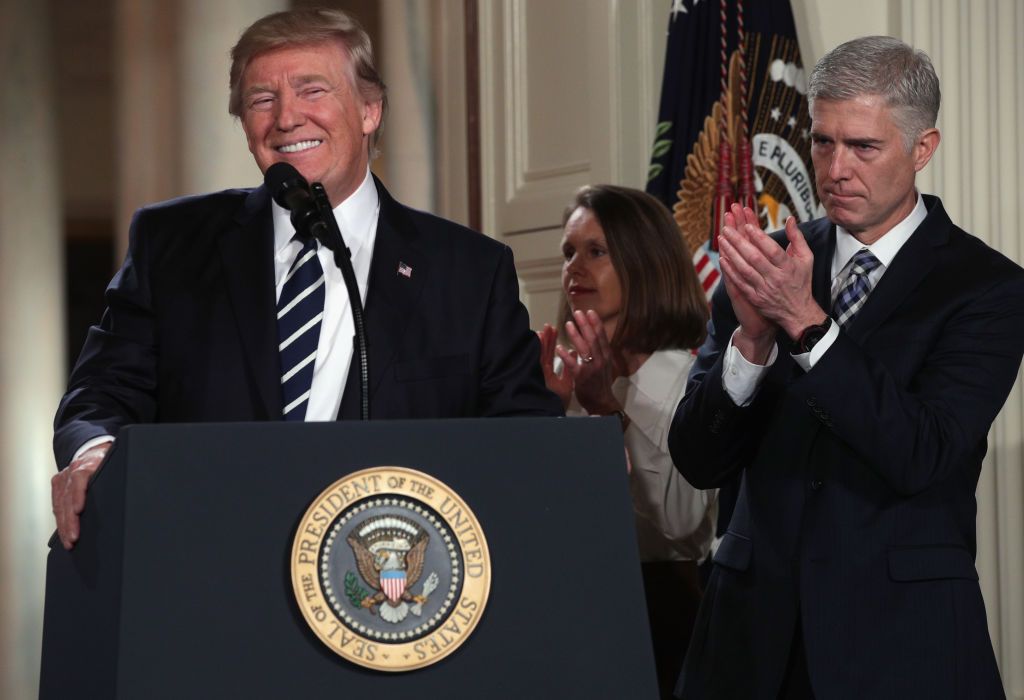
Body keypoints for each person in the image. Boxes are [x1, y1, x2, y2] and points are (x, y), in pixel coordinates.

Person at [51, 7, 562, 551]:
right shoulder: (171, 244)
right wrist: (94, 451)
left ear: (369, 110)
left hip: (392, 589)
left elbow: (519, 435)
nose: (287, 118)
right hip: (209, 567)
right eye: (261, 99)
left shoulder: (468, 271)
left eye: (311, 90)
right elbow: (99, 394)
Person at [669, 36, 1024, 699]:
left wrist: (804, 323)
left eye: (863, 147)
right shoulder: (765, 265)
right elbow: (697, 460)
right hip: (748, 646)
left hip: (902, 647)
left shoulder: (986, 288)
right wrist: (750, 342)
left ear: (923, 149)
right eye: (824, 143)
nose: (835, 169)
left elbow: (921, 450)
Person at [537, 184, 715, 699]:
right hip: (574, 609)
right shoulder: (561, 378)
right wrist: (540, 411)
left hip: (668, 614)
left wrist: (606, 412)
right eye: (570, 252)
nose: (575, 267)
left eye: (597, 252)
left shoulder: (690, 380)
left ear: (644, 263)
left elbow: (680, 523)